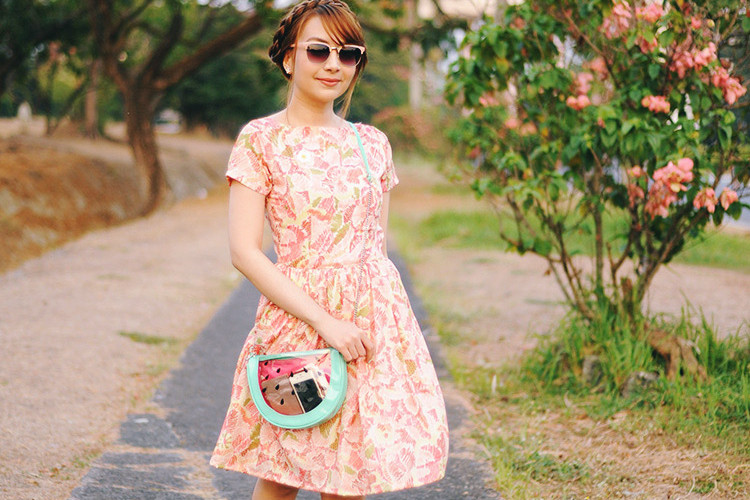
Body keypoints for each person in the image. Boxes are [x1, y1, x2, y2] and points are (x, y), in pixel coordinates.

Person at [210, 1, 449, 498]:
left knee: (350, 476)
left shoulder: (372, 143)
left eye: (348, 53)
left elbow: (375, 248)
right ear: (289, 58)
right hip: (298, 324)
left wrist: (380, 329)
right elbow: (244, 252)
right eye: (318, 51)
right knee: (283, 472)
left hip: (368, 328)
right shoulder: (262, 140)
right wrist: (324, 322)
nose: (334, 65)